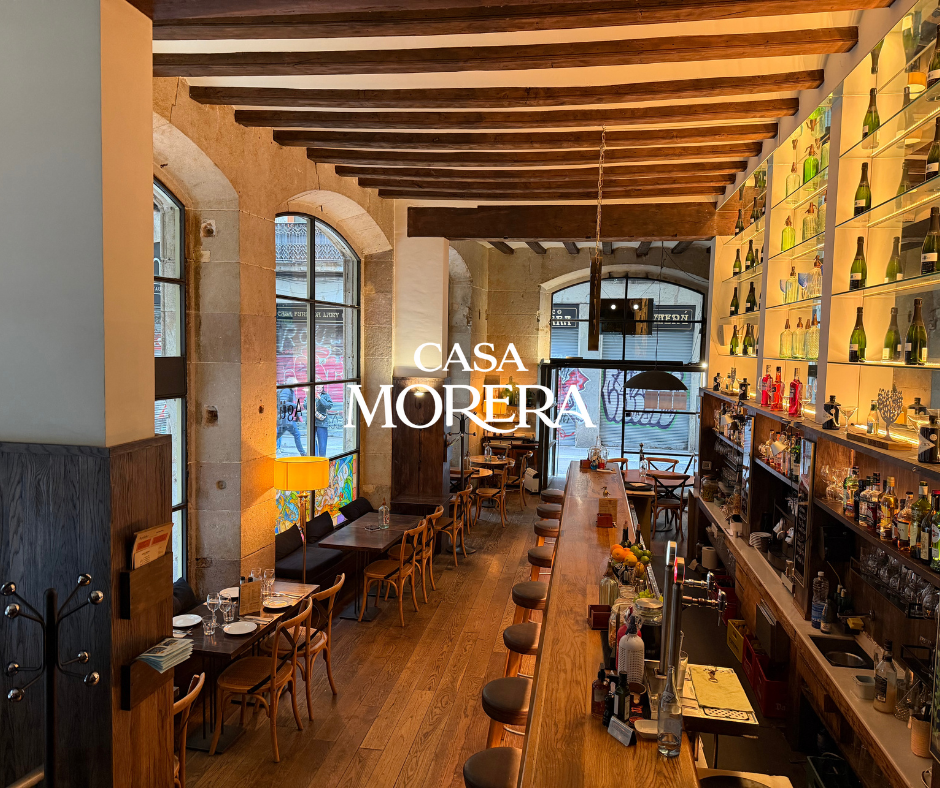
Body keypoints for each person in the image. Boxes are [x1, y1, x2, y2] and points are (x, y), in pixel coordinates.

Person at [276, 377, 306, 456]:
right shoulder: (286, 390)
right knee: (297, 434)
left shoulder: (290, 391)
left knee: (277, 436)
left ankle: (267, 446)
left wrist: (299, 415)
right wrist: (296, 406)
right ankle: (303, 453)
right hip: (286, 418)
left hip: (285, 418)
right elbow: (283, 402)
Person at [313, 385, 333, 457]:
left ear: (322, 388)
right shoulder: (311, 395)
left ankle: (322, 458)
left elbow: (329, 405)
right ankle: (315, 457)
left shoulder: (326, 395)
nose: (318, 388)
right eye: (316, 387)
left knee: (322, 443)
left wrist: (320, 398)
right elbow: (305, 406)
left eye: (319, 387)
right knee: (311, 442)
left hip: (322, 422)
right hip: (312, 422)